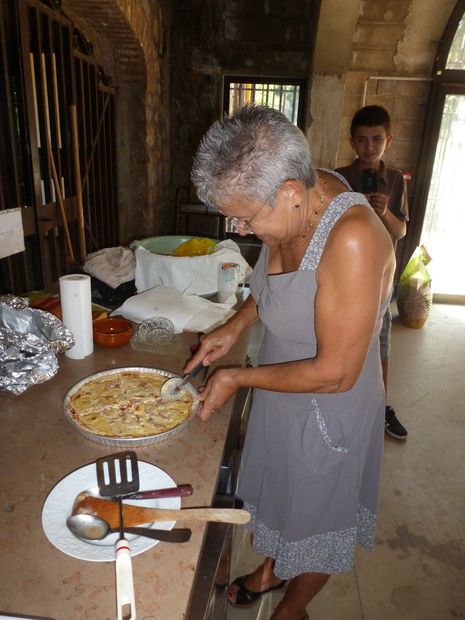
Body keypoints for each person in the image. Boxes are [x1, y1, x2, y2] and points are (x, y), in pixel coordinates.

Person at [185, 104, 395, 620]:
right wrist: (235, 325)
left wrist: (236, 375)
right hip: (283, 388)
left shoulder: (352, 240)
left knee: (319, 519)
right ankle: (272, 570)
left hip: (329, 407)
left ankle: (292, 609)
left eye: (246, 218)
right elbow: (277, 287)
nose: (242, 228)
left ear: (290, 194)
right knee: (286, 497)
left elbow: (335, 372)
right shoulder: (299, 195)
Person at [336, 105, 409, 440]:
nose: (369, 147)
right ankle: (343, 397)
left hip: (380, 278)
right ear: (352, 142)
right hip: (343, 276)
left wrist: (382, 212)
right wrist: (353, 205)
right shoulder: (338, 177)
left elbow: (401, 231)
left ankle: (379, 406)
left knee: (381, 344)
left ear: (388, 139)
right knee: (341, 339)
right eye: (362, 140)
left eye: (376, 139)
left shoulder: (394, 180)